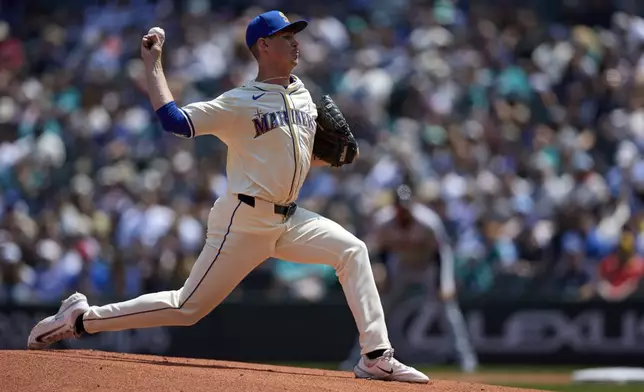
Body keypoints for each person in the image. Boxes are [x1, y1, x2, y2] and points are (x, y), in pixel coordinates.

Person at [26, 10, 429, 384]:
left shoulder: (304, 94)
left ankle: (375, 355)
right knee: (187, 308)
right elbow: (174, 121)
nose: (295, 41)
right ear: (263, 46)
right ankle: (81, 320)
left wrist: (332, 158)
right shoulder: (239, 102)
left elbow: (294, 157)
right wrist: (153, 66)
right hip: (244, 219)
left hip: (289, 219)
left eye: (295, 34)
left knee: (353, 251)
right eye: (285, 36)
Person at [340, 185, 478, 372]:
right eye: (399, 207)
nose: (403, 211)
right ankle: (357, 356)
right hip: (401, 266)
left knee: (447, 309)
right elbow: (380, 251)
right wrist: (383, 273)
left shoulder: (427, 220)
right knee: (378, 309)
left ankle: (465, 358)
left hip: (428, 266)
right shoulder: (383, 221)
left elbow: (441, 253)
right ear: (394, 206)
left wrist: (443, 283)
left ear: (412, 205)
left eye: (406, 206)